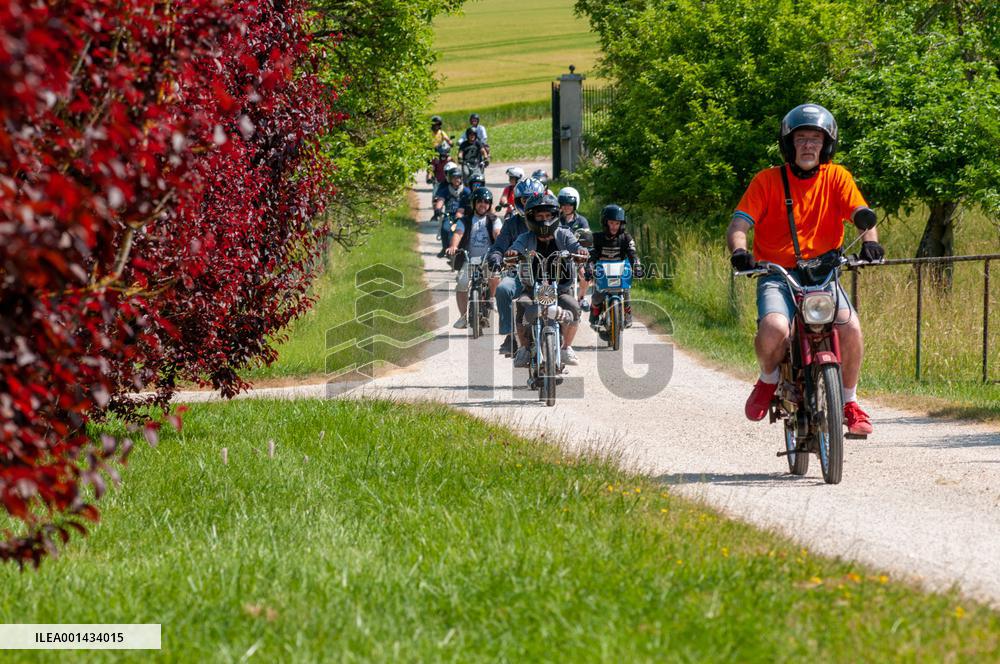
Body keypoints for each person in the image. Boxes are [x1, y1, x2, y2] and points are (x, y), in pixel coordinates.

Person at [726, 103, 883, 436]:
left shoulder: (837, 177)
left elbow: (861, 214)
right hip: (778, 274)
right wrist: (740, 251)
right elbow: (739, 224)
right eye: (801, 139)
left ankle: (849, 401)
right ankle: (768, 379)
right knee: (774, 327)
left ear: (826, 145)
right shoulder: (766, 181)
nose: (808, 146)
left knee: (850, 327)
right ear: (789, 144)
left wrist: (870, 242)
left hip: (824, 274)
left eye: (816, 139)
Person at [505, 193, 589, 367]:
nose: (544, 220)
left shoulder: (564, 234)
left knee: (574, 307)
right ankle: (524, 348)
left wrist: (580, 251)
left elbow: (575, 245)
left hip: (560, 290)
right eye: (540, 216)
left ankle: (566, 348)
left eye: (548, 216)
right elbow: (516, 247)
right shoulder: (525, 237)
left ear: (555, 216)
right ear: (531, 218)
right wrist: (513, 253)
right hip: (532, 290)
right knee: (521, 304)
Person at [487, 177, 547, 355]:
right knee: (503, 289)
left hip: (547, 272)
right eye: (525, 199)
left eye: (533, 198)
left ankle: (563, 341)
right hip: (518, 272)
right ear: (518, 201)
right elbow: (498, 247)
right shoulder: (511, 223)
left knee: (565, 295)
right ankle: (510, 335)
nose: (529, 203)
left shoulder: (549, 220)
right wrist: (496, 257)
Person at [446, 187, 503, 328]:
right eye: (479, 201)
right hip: (469, 259)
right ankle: (463, 317)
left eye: (486, 202)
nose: (483, 204)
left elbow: (497, 233)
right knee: (462, 283)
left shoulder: (494, 220)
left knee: (495, 275)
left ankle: (491, 299)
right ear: (474, 203)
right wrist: (453, 246)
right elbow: (458, 234)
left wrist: (501, 243)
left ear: (489, 204)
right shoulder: (465, 220)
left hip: (488, 259)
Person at [587, 204, 643, 329]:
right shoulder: (596, 238)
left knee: (626, 291)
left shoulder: (626, 238)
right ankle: (594, 312)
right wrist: (589, 268)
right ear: (605, 222)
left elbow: (632, 254)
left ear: (621, 224)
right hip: (602, 271)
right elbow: (592, 255)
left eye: (617, 223)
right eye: (611, 223)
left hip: (620, 270)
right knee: (598, 295)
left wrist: (637, 267)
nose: (614, 226)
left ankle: (627, 314)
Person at [557, 186, 593, 309]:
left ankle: (581, 298)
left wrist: (583, 251)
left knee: (584, 273)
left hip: (576, 256)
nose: (566, 207)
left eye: (570, 204)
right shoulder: (555, 219)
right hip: (558, 254)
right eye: (564, 204)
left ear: (575, 204)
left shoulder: (582, 221)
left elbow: (587, 239)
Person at [433, 164, 472, 258]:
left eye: (458, 177)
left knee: (466, 230)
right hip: (449, 215)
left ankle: (467, 247)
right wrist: (438, 209)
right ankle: (445, 248)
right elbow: (441, 200)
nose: (457, 180)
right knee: (445, 228)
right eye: (454, 177)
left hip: (463, 216)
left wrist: (465, 210)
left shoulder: (466, 191)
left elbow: (471, 202)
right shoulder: (445, 190)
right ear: (450, 179)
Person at [427, 115, 451, 184]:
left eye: (437, 125)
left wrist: (450, 142)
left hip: (440, 150)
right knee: (431, 165)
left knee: (448, 159)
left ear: (440, 125)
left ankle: (449, 174)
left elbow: (447, 139)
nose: (436, 126)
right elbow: (425, 142)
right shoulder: (429, 133)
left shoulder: (441, 132)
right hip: (431, 151)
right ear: (432, 125)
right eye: (435, 125)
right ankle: (429, 177)